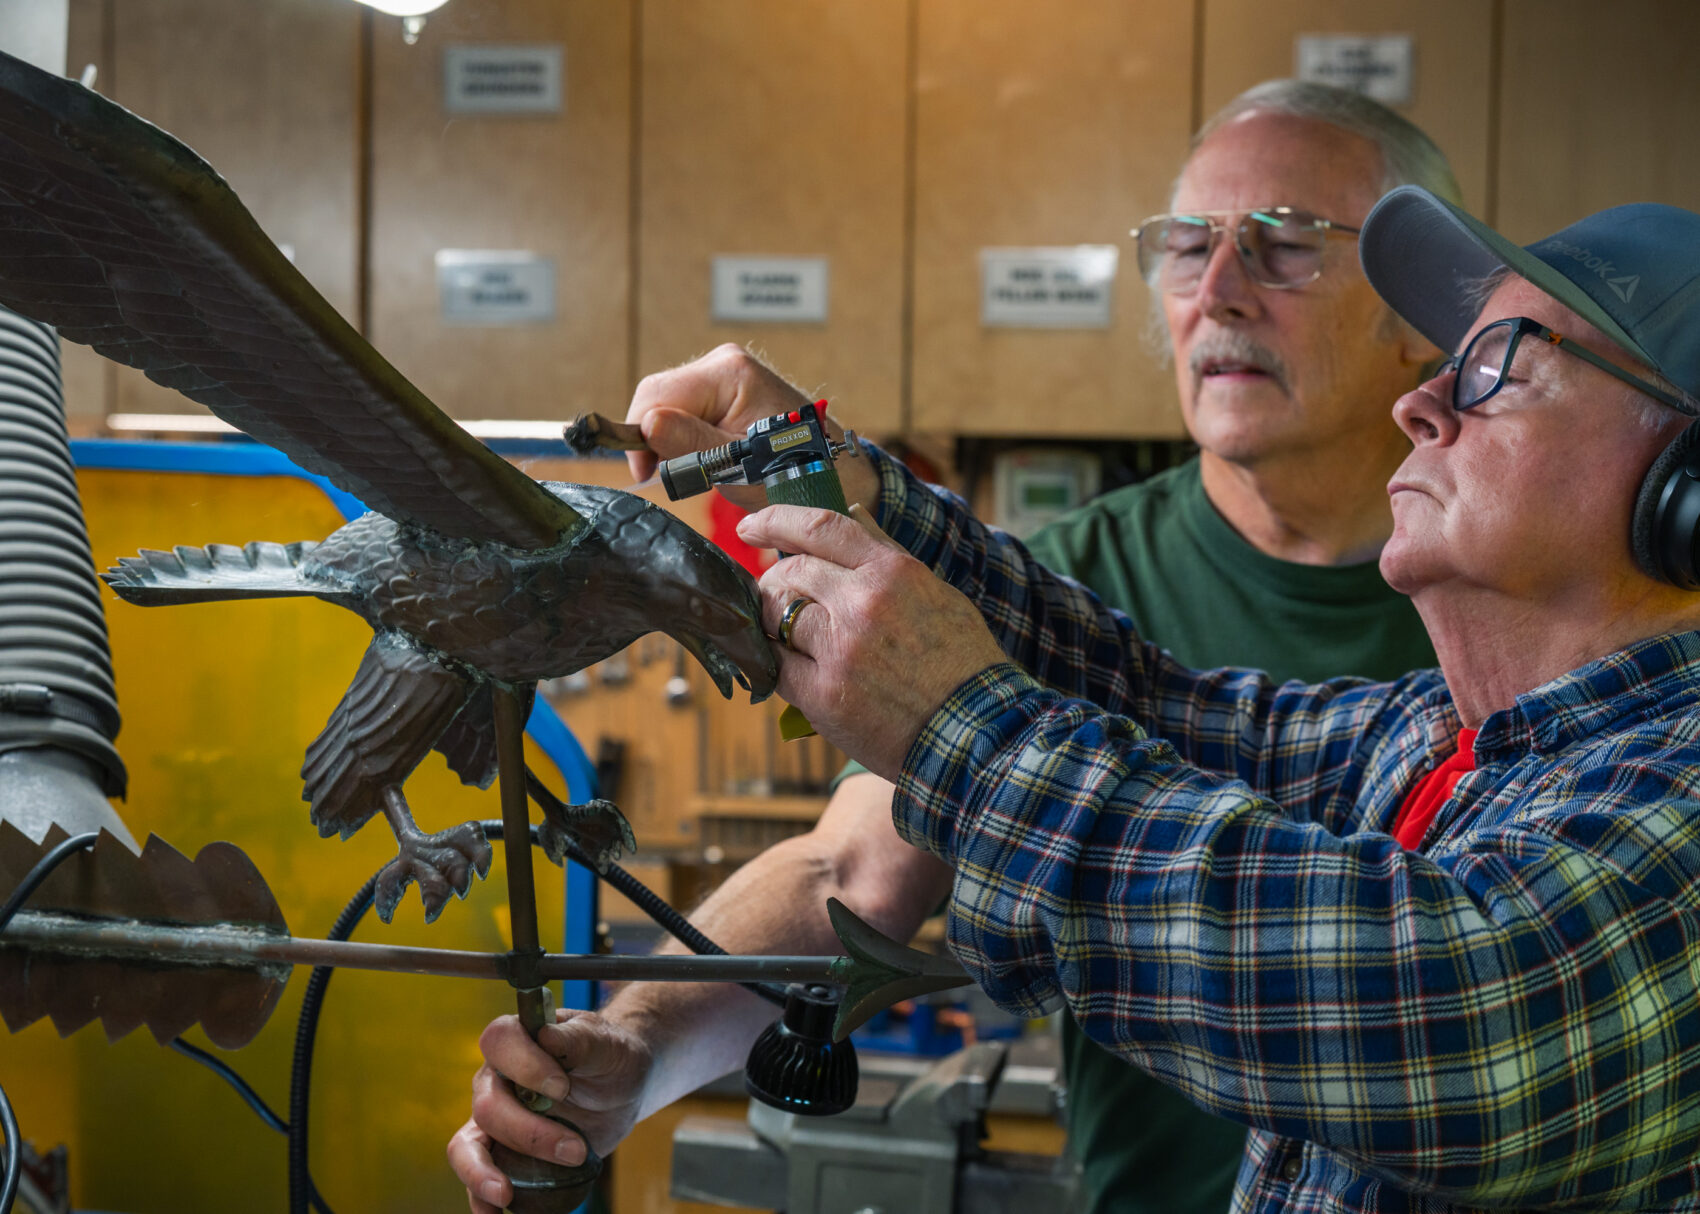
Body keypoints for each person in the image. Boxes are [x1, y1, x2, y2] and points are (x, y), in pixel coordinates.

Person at [449, 81, 1457, 1213]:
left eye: (1283, 245)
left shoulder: (1503, 615)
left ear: (1421, 310)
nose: (1217, 290)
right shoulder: (1071, 583)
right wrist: (638, 1042)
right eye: (1187, 245)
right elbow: (849, 871)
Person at [606, 188, 1700, 1213]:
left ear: (1684, 489)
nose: (1417, 406)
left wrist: (958, 732)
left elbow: (1459, 1023)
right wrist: (834, 478)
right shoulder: (1441, 739)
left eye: (1500, 365)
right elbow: (1154, 707)